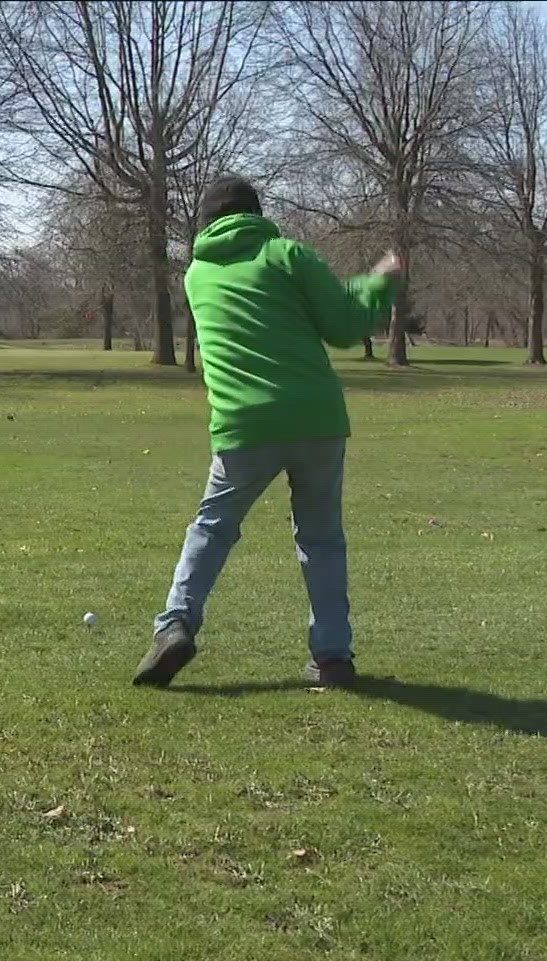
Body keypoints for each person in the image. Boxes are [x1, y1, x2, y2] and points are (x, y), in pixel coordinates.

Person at [133, 175, 402, 689]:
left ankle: (174, 625)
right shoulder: (287, 256)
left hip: (244, 424)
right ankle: (332, 658)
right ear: (257, 215)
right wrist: (379, 281)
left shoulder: (196, 277)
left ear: (208, 223)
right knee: (321, 539)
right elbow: (344, 325)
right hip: (316, 417)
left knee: (211, 528)